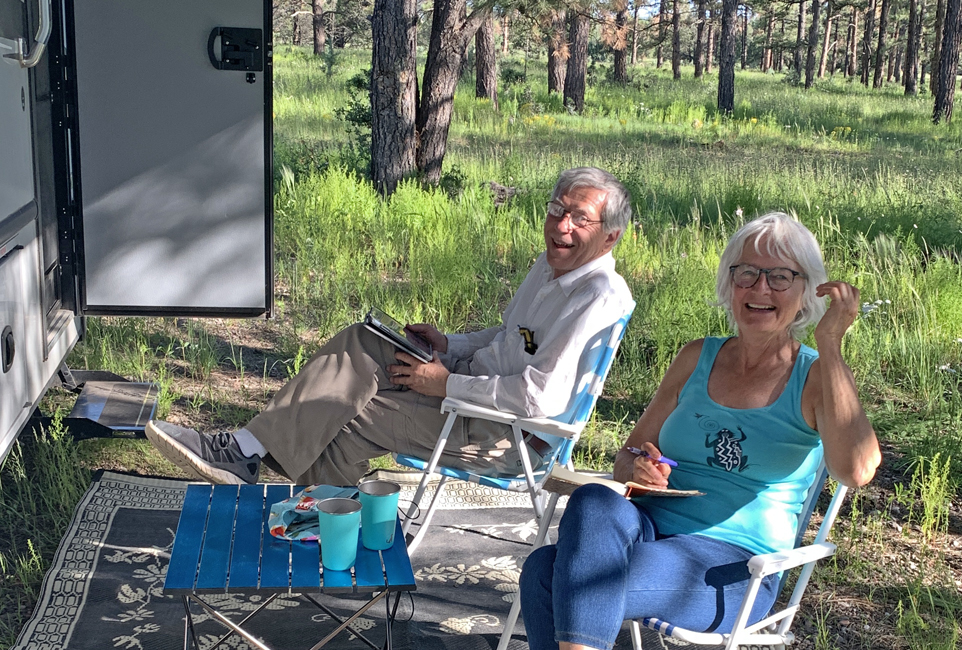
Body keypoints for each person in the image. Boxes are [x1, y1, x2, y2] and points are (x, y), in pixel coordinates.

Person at [445, 210, 881, 650]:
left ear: (808, 292)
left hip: (732, 567)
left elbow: (858, 469)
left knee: (547, 570)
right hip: (652, 528)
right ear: (729, 284)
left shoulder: (815, 377)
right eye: (746, 273)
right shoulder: (697, 358)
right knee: (594, 502)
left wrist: (834, 347)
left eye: (779, 276)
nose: (759, 290)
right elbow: (631, 451)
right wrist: (641, 465)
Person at [145, 168, 635, 488]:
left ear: (610, 236)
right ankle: (259, 462)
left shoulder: (596, 297)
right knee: (364, 340)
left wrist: (447, 383)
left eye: (579, 218)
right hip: (468, 396)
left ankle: (282, 488)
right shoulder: (550, 268)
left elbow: (540, 399)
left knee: (346, 414)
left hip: (504, 436)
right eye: (556, 209)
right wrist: (449, 345)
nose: (561, 226)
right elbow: (510, 335)